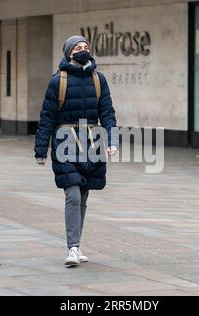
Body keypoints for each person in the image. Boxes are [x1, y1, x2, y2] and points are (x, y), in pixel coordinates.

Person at [34, 35, 118, 267]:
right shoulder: (57, 81)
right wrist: (41, 149)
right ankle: (72, 248)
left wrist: (112, 140)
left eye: (86, 47)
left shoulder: (98, 79)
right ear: (69, 53)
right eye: (78, 48)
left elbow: (108, 113)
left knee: (82, 196)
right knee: (72, 194)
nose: (83, 50)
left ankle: (77, 245)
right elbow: (47, 117)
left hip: (92, 144)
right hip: (65, 144)